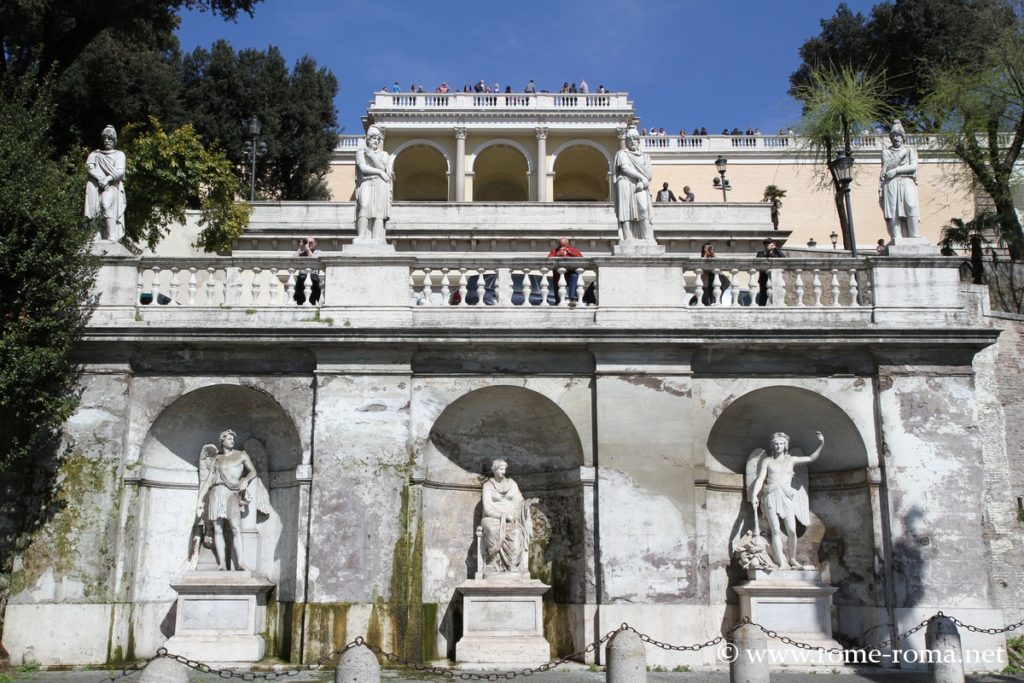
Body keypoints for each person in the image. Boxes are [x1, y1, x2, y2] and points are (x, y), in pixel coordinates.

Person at [748, 431, 825, 569]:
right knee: (775, 530)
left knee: (792, 530)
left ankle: (792, 559)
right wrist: (754, 494)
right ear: (773, 445)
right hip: (770, 495)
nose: (778, 446)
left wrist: (821, 444)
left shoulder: (791, 460)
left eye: (781, 443)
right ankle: (781, 562)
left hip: (786, 496)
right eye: (776, 444)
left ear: (785, 445)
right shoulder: (767, 461)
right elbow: (760, 479)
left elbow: (811, 458)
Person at [195, 430, 262, 571]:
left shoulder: (241, 455)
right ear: (222, 441)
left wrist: (245, 480)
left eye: (233, 438)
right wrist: (200, 501)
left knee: (236, 528)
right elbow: (208, 481)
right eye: (229, 438)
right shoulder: (217, 459)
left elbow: (253, 471)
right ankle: (222, 564)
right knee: (217, 529)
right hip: (216, 493)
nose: (232, 440)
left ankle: (241, 562)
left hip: (231, 493)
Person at [480, 458, 537, 574]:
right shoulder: (488, 486)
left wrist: (526, 504)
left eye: (504, 469)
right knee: (493, 529)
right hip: (492, 518)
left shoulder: (512, 484)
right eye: (500, 469)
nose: (503, 471)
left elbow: (519, 502)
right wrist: (503, 516)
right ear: (494, 470)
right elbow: (487, 508)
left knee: (517, 531)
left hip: (510, 520)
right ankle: (492, 563)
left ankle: (512, 564)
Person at [879, 119, 920, 242]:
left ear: (903, 137)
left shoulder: (910, 150)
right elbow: (888, 167)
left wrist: (897, 170)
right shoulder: (886, 152)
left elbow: (913, 167)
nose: (896, 138)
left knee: (911, 206)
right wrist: (900, 156)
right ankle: (897, 237)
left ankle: (915, 235)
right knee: (893, 210)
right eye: (893, 135)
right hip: (891, 183)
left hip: (907, 180)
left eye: (898, 135)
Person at [85, 125, 127, 242]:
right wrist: (99, 178)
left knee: (105, 205)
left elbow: (120, 172)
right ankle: (95, 233)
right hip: (96, 185)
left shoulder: (119, 154)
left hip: (112, 185)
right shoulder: (96, 154)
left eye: (110, 138)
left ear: (114, 140)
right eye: (105, 138)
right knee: (94, 208)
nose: (107, 141)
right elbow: (89, 168)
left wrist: (107, 179)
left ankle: (111, 235)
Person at [613, 128, 655, 243]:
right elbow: (625, 168)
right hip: (625, 183)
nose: (632, 141)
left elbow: (649, 174)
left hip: (640, 186)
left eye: (634, 139)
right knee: (625, 211)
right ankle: (628, 237)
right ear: (626, 142)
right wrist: (641, 177)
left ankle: (647, 237)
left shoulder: (646, 156)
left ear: (638, 141)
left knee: (643, 208)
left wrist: (644, 181)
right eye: (629, 139)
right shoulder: (622, 154)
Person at [354, 125, 394, 243]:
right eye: (373, 138)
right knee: (364, 206)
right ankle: (362, 235)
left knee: (379, 210)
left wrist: (371, 156)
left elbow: (383, 166)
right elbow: (363, 168)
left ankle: (377, 238)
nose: (376, 141)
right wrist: (380, 173)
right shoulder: (361, 152)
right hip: (366, 182)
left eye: (378, 138)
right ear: (368, 139)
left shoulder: (384, 154)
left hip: (380, 184)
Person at [547, 237, 584, 303]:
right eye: (560, 245)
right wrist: (557, 255)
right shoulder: (554, 251)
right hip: (558, 277)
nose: (562, 247)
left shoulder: (572, 250)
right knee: (558, 300)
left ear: (568, 244)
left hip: (569, 274)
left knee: (574, 276)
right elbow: (548, 261)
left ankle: (572, 298)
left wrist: (569, 252)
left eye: (563, 245)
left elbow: (581, 258)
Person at [755, 238, 786, 306]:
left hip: (775, 279)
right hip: (764, 279)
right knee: (763, 296)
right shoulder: (760, 253)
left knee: (776, 296)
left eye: (769, 243)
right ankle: (762, 311)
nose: (767, 245)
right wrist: (768, 251)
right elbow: (760, 261)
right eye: (766, 244)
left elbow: (783, 258)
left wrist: (776, 249)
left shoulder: (776, 254)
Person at [294, 237, 322, 305]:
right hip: (302, 279)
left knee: (312, 300)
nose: (309, 244)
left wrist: (308, 250)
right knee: (299, 299)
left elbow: (315, 261)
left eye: (311, 243)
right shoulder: (302, 253)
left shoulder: (318, 252)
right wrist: (300, 248)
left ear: (315, 243)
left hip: (313, 278)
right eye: (307, 242)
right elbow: (293, 259)